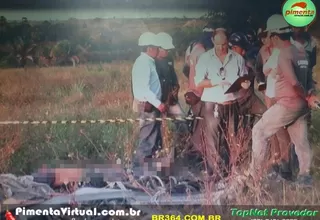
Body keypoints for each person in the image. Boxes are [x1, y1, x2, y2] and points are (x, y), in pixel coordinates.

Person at [249, 14, 318, 186]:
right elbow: (308, 78)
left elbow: (294, 82)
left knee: (258, 131)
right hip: (301, 106)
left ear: (273, 36)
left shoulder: (282, 54)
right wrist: (309, 95)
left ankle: (254, 175)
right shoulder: (301, 51)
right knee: (301, 141)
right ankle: (304, 176)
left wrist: (307, 96)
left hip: (288, 103)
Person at [194, 30, 250, 178]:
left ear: (228, 43)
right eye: (218, 45)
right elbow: (198, 82)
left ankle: (230, 170)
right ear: (213, 42)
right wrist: (215, 82)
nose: (221, 48)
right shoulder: (205, 58)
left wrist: (245, 83)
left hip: (231, 102)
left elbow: (244, 77)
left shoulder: (237, 58)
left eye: (224, 44)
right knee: (213, 138)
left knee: (231, 137)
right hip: (212, 102)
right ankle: (215, 171)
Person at [131, 32, 165, 178]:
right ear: (150, 48)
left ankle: (147, 173)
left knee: (153, 139)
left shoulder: (146, 61)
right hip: (148, 105)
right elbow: (144, 88)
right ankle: (138, 174)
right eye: (157, 47)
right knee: (147, 140)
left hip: (150, 105)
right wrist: (159, 104)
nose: (158, 50)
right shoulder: (144, 63)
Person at [154, 32, 188, 155]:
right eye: (165, 49)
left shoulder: (169, 59)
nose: (168, 51)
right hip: (157, 101)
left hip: (171, 99)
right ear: (158, 47)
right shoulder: (152, 61)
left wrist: (175, 90)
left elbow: (173, 78)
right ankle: (158, 152)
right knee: (156, 128)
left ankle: (180, 150)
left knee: (182, 122)